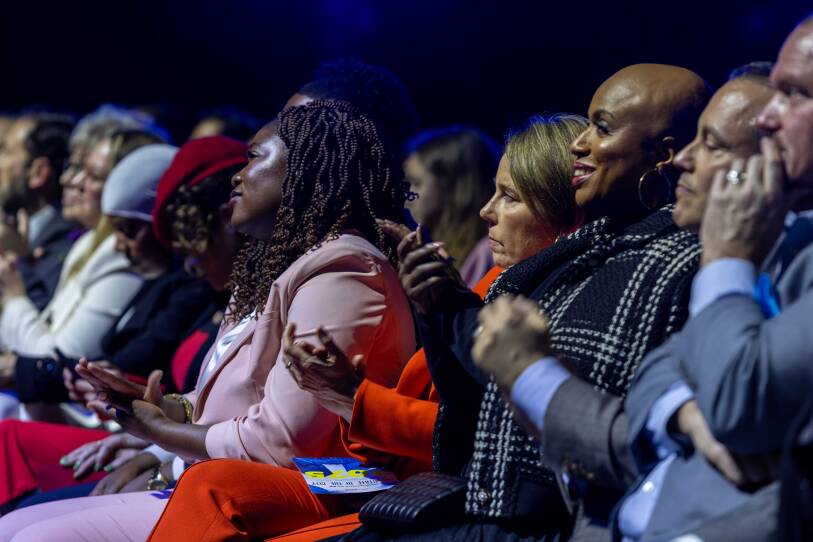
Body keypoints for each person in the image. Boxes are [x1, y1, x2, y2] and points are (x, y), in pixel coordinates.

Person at [145, 113, 585, 542]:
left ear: (562, 211)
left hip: (440, 497)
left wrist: (356, 398)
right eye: (493, 192)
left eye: (510, 197)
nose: (486, 211)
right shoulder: (494, 282)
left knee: (213, 487)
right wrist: (171, 421)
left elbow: (493, 430)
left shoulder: (560, 301)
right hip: (392, 480)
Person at [0, 100, 416, 542]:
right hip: (224, 477)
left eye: (254, 158)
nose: (237, 176)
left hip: (293, 495)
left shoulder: (341, 271)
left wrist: (164, 436)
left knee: (29, 536)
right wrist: (166, 406)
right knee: (13, 526)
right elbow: (239, 400)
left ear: (304, 172)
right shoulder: (281, 267)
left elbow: (283, 439)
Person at [341, 64, 708, 541]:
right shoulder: (584, 251)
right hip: (481, 504)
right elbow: (485, 415)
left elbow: (576, 420)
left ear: (665, 155)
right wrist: (441, 306)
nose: (582, 143)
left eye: (603, 127)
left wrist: (358, 395)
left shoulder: (677, 261)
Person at [470, 65, 776, 541]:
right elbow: (654, 384)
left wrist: (531, 372)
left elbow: (657, 428)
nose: (580, 143)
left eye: (604, 127)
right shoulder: (596, 245)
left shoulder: (695, 260)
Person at [620, 16, 813, 541]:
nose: (770, 117)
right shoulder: (784, 238)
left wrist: (726, 257)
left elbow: (737, 402)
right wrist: (688, 414)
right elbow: (656, 371)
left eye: (795, 94)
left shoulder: (741, 245)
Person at [0, 136, 250, 513]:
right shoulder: (208, 293)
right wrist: (145, 425)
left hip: (197, 468)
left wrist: (154, 447)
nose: (74, 181)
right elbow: (191, 400)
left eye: (130, 229)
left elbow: (262, 429)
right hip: (152, 445)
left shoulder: (199, 293)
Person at [402, 126, 499, 287]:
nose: (407, 195)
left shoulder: (486, 255)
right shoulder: (440, 250)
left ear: (452, 187)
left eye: (416, 183)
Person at [0, 113, 77, 310]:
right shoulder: (14, 228)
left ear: (38, 172)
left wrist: (18, 262)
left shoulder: (69, 240)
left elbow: (45, 323)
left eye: (5, 151)